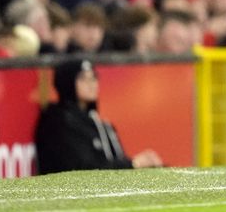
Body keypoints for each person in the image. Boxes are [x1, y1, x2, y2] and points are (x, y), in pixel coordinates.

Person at [34, 58, 163, 174]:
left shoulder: (96, 122)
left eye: (94, 78)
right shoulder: (59, 121)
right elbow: (83, 169)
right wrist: (133, 164)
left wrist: (136, 163)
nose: (91, 84)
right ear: (67, 82)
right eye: (83, 78)